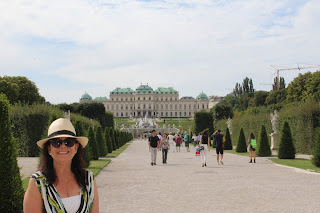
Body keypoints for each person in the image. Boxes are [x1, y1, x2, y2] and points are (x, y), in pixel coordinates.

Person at [23, 118, 99, 213]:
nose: (63, 146)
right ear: (49, 149)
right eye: (56, 142)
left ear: (76, 147)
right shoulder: (38, 183)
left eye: (69, 142)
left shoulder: (89, 179)